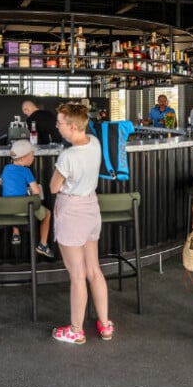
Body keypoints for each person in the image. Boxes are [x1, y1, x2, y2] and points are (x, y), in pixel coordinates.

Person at [50, 102, 111, 345]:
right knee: (93, 270)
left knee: (77, 275)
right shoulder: (94, 143)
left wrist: (65, 184)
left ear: (72, 126)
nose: (56, 126)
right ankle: (105, 325)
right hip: (91, 208)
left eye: (60, 122)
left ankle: (76, 329)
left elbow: (54, 187)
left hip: (72, 211)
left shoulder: (67, 156)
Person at [0, 139, 53, 258]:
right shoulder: (26, 171)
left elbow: (1, 181)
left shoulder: (6, 168)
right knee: (47, 214)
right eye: (32, 155)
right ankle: (43, 244)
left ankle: (16, 233)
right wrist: (31, 190)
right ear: (23, 158)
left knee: (12, 202)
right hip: (24, 210)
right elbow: (36, 191)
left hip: (6, 210)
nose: (33, 158)